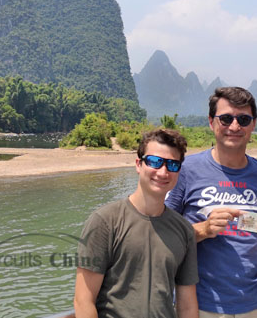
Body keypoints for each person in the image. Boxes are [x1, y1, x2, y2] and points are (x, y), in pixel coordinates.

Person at [165, 86, 257, 318]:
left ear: (253, 124)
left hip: (253, 305)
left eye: (243, 119)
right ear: (212, 122)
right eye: (225, 119)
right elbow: (162, 236)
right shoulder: (186, 170)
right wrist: (203, 229)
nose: (234, 127)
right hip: (197, 304)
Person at [74, 128, 199, 318]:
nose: (163, 172)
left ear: (179, 171)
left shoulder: (183, 230)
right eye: (155, 162)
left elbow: (187, 305)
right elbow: (83, 301)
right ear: (138, 164)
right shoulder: (105, 222)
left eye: (172, 165)